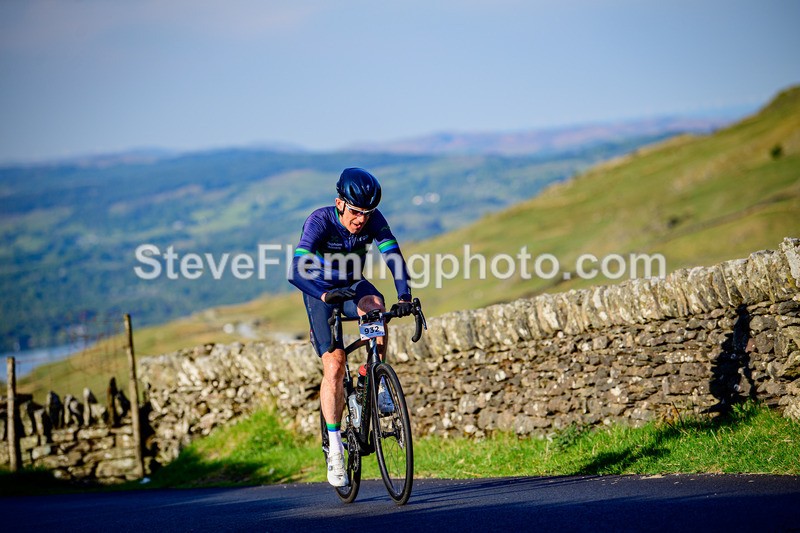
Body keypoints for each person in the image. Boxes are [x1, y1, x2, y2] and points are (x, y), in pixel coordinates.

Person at [288, 167, 415, 487]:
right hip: (320, 291)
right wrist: (324, 294)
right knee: (334, 364)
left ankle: (375, 379)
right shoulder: (320, 221)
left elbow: (393, 256)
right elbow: (296, 269)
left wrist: (404, 296)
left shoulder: (372, 219)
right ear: (340, 203)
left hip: (352, 284)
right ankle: (334, 448)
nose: (361, 219)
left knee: (376, 309)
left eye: (367, 213)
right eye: (356, 212)